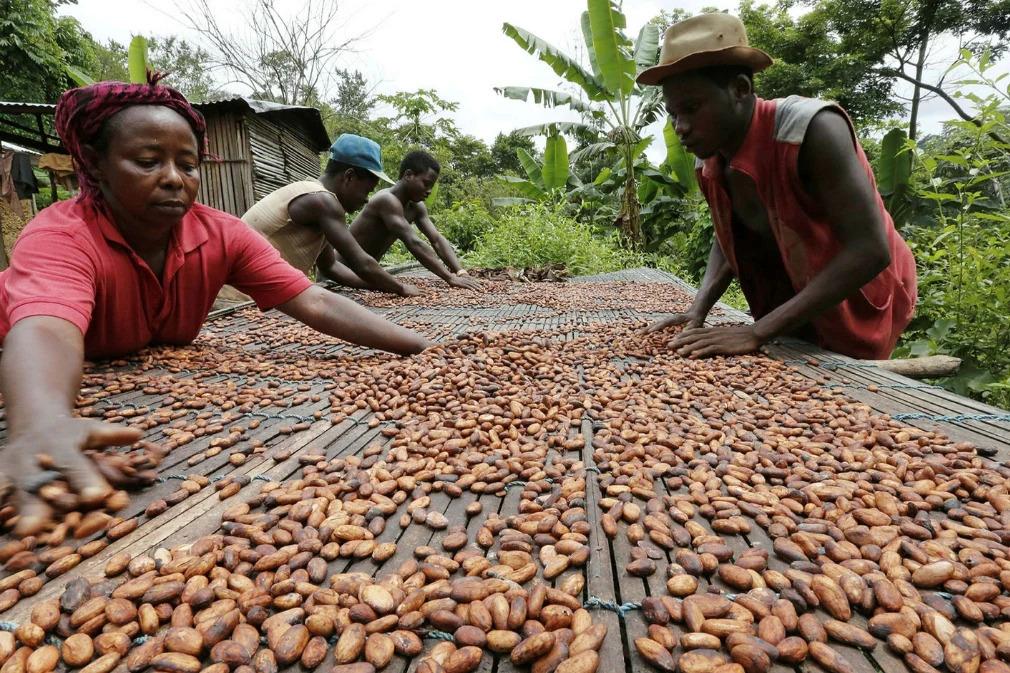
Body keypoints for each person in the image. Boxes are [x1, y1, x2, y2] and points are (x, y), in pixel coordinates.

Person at [0, 76, 431, 535]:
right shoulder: (62, 236)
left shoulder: (221, 235)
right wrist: (42, 423)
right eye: (147, 162)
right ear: (96, 165)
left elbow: (315, 301)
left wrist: (426, 348)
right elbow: (46, 328)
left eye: (187, 165)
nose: (172, 178)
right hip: (31, 373)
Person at [639, 14, 916, 360]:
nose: (681, 127)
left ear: (741, 89)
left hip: (861, 295)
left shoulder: (812, 131)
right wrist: (699, 309)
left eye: (692, 109)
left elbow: (870, 250)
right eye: (673, 114)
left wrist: (757, 331)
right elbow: (727, 235)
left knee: (850, 382)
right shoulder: (709, 159)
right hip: (793, 291)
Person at [234, 134, 421, 297]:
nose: (366, 200)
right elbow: (361, 262)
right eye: (367, 191)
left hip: (252, 292)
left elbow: (330, 266)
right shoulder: (323, 202)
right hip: (238, 299)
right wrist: (400, 288)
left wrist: (378, 286)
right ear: (349, 177)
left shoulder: (313, 194)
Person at [345, 150, 481, 290]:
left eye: (431, 187)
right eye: (426, 184)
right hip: (342, 272)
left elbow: (436, 239)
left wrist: (460, 272)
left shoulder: (416, 207)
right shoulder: (386, 200)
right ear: (408, 175)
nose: (429, 191)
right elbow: (413, 242)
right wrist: (449, 277)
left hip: (365, 274)